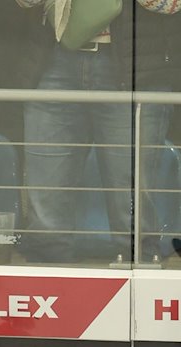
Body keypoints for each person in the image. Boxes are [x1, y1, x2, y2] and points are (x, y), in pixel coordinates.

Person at [15, 0, 181, 263]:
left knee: (132, 223)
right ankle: (47, 296)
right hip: (54, 60)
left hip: (135, 70)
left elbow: (170, 5)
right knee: (45, 221)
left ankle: (135, 297)